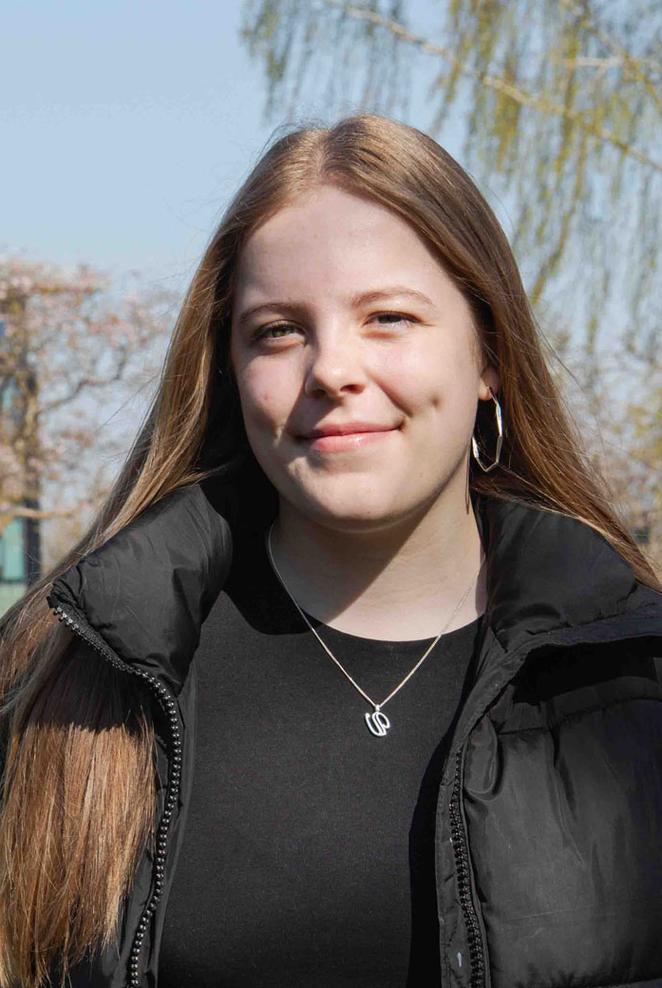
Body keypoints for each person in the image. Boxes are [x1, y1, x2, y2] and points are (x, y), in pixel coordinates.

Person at [0, 114, 661, 988]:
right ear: (229, 371)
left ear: (489, 355)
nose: (331, 369)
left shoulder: (633, 680)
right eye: (278, 330)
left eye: (388, 317)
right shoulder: (62, 676)